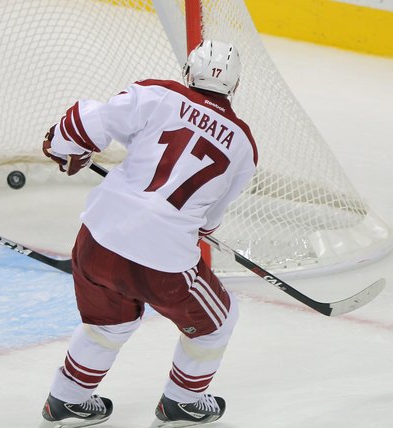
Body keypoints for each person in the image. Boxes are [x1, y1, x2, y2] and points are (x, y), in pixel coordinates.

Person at [39, 39, 257, 427]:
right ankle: (183, 401)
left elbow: (87, 122)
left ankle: (68, 398)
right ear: (235, 86)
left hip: (98, 237)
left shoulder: (159, 94)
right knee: (217, 323)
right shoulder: (243, 145)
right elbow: (208, 222)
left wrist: (62, 147)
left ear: (189, 73)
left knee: (108, 323)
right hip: (163, 258)